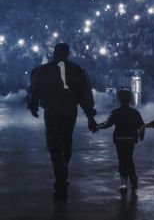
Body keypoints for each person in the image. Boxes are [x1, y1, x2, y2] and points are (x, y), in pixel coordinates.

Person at [27, 43, 97, 200]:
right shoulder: (77, 70)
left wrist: (33, 105)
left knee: (54, 143)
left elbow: (35, 89)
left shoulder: (43, 70)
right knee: (66, 140)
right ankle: (62, 167)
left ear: (54, 53)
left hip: (52, 110)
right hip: (69, 110)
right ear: (67, 53)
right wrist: (90, 116)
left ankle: (60, 174)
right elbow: (84, 95)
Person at [98, 89, 145, 193]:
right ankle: (133, 180)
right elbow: (142, 125)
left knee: (122, 160)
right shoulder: (135, 112)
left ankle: (124, 183)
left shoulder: (115, 112)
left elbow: (107, 124)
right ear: (131, 99)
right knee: (129, 159)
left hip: (119, 139)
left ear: (119, 99)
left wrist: (96, 126)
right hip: (131, 139)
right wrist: (141, 136)